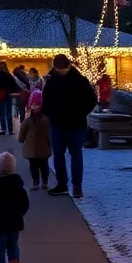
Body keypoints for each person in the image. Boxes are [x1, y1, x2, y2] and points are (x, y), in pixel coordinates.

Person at [41, 54, 97, 198]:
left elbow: (91, 100)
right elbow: (45, 103)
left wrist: (81, 113)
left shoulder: (80, 81)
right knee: (61, 155)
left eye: (63, 68)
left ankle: (76, 185)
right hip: (61, 124)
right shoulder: (52, 82)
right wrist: (52, 115)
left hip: (75, 124)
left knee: (74, 154)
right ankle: (63, 184)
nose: (61, 71)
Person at [18, 90, 52, 190]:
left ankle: (41, 181)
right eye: (33, 104)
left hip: (36, 147)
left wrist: (21, 138)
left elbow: (23, 131)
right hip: (37, 147)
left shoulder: (32, 120)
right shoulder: (44, 119)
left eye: (37, 104)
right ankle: (38, 181)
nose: (35, 106)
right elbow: (23, 131)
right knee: (37, 166)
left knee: (41, 166)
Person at [0, 61, 22, 136]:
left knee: (2, 112)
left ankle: (4, 129)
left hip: (2, 94)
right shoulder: (8, 74)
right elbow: (13, 84)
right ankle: (10, 129)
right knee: (8, 112)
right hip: (8, 94)